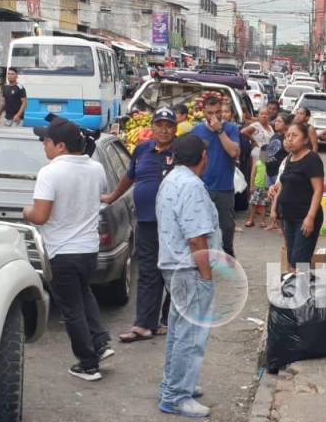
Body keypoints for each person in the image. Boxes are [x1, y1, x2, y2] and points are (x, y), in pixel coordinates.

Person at [24, 117, 113, 381]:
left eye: (47, 141)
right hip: (88, 250)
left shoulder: (50, 172)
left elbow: (40, 216)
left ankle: (88, 364)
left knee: (72, 309)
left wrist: (25, 211)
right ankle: (100, 343)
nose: (43, 145)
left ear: (60, 145)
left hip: (61, 251)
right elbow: (98, 195)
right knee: (84, 295)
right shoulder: (95, 168)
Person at [156, 134, 222, 418]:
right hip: (189, 269)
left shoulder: (171, 179)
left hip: (174, 266)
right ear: (202, 157)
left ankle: (175, 385)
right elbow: (196, 238)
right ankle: (176, 396)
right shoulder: (191, 185)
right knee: (191, 334)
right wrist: (206, 276)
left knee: (179, 330)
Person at [103, 108, 179, 344]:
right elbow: (130, 176)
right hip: (146, 222)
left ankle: (169, 321)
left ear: (175, 129)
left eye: (168, 125)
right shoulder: (142, 150)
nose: (164, 129)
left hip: (174, 225)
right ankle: (144, 325)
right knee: (148, 274)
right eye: (159, 124)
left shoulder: (181, 152)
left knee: (175, 273)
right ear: (153, 127)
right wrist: (112, 196)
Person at [191, 92, 241, 256]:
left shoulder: (231, 129)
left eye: (217, 112)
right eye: (210, 113)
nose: (214, 116)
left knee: (226, 226)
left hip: (224, 187)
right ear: (204, 112)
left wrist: (220, 131)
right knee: (202, 226)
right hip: (202, 187)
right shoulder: (196, 131)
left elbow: (234, 152)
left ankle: (227, 252)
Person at [271, 120, 325, 269]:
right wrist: (274, 207)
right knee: (291, 257)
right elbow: (283, 184)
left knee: (299, 260)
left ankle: (302, 290)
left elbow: (318, 190)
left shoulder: (312, 159)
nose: (289, 139)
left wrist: (310, 217)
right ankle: (295, 289)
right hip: (288, 217)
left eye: (294, 135)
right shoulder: (289, 158)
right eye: (287, 135)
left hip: (304, 216)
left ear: (305, 139)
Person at [241, 106, 274, 228]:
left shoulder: (270, 127)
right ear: (258, 115)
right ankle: (252, 217)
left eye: (266, 114)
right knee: (257, 177)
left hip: (267, 154)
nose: (264, 116)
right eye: (262, 114)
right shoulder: (256, 125)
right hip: (259, 153)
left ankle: (262, 215)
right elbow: (243, 132)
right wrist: (253, 140)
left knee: (265, 181)